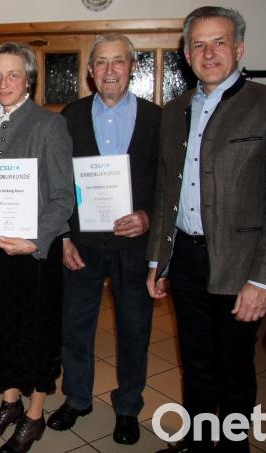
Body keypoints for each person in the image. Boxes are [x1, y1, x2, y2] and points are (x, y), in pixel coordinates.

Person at [146, 6, 266, 453]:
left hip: (242, 266)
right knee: (195, 363)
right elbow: (165, 191)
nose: (208, 52)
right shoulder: (174, 111)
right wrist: (159, 258)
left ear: (239, 48)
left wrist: (263, 279)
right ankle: (199, 442)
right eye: (198, 44)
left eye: (219, 42)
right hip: (186, 261)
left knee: (234, 368)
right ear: (185, 52)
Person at [0, 42, 75, 453]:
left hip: (33, 256)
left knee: (34, 335)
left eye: (13, 74)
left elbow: (64, 198)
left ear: (29, 80)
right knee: (0, 330)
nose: (3, 82)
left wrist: (35, 239)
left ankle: (36, 415)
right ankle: (9, 403)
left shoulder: (49, 125)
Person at [47, 33, 161, 445]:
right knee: (75, 327)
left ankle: (128, 406)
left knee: (135, 329)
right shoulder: (69, 117)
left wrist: (148, 217)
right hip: (83, 244)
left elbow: (166, 183)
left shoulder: (156, 118)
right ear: (90, 71)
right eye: (101, 62)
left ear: (132, 67)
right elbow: (57, 183)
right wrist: (62, 237)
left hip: (136, 246)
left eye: (119, 62)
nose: (110, 70)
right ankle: (77, 399)